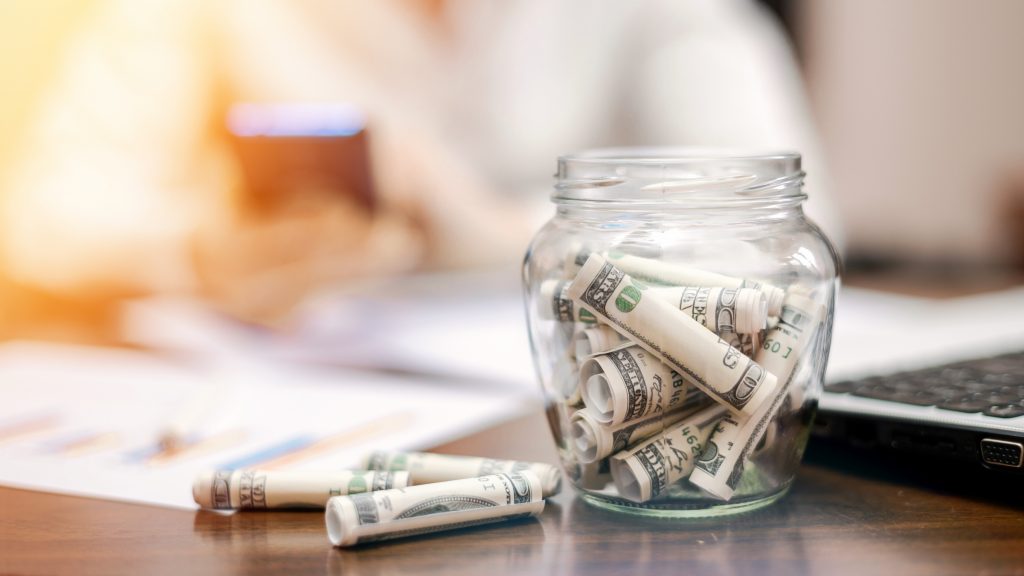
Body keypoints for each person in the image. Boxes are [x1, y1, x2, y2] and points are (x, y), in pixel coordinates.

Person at [2, 0, 840, 325]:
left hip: (573, 376)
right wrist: (206, 249)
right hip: (296, 365)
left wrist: (492, 231)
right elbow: (43, 213)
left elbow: (787, 220)